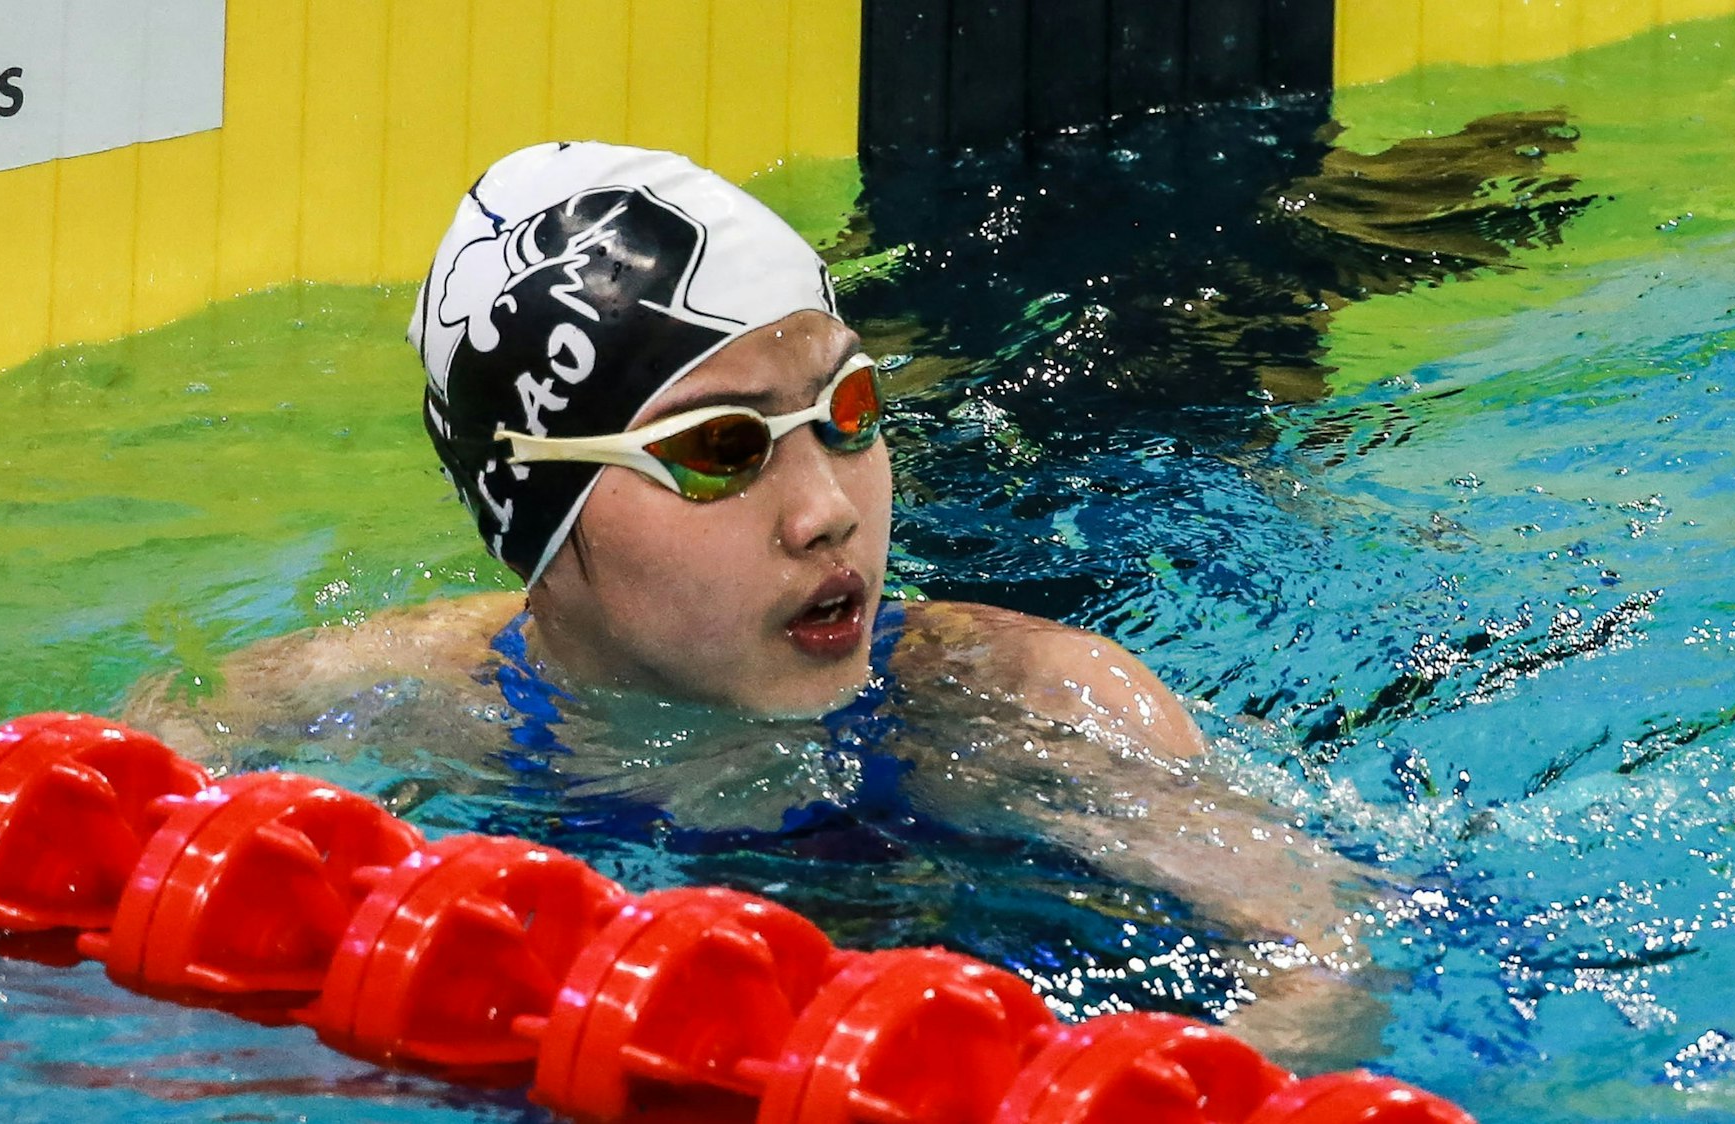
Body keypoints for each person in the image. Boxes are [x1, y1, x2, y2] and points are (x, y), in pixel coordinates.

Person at [125, 141, 1382, 1067]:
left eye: (847, 416)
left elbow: (1320, 963)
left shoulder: (1034, 709)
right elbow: (139, 815)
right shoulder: (382, 703)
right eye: (723, 448)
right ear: (537, 521)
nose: (825, 510)